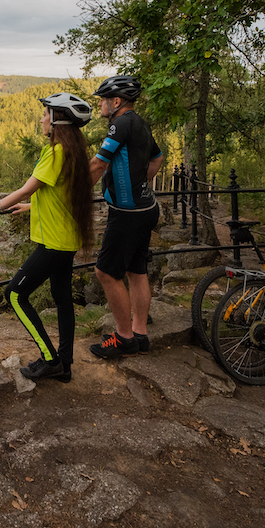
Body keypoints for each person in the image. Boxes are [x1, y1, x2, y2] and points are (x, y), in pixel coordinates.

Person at [0, 92, 94, 382]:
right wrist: (30, 206)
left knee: (14, 294)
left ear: (57, 120)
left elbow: (28, 187)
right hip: (66, 239)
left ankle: (50, 359)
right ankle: (65, 363)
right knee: (63, 299)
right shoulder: (72, 151)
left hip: (53, 243)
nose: (41, 119)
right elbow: (57, 193)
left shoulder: (54, 152)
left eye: (46, 114)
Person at [88, 75, 163, 359]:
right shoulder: (140, 123)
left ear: (116, 101)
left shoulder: (120, 124)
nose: (99, 104)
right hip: (147, 209)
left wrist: (74, 196)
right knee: (137, 269)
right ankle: (139, 333)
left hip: (127, 213)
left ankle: (123, 338)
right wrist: (141, 182)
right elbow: (157, 157)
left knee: (105, 272)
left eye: (102, 100)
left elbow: (98, 163)